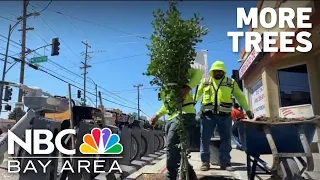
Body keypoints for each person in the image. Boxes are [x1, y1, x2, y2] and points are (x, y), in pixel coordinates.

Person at [194, 60, 253, 171]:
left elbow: (240, 96)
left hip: (225, 116)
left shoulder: (230, 82)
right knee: (204, 138)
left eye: (220, 71)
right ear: (212, 71)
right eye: (215, 71)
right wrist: (191, 105)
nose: (217, 73)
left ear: (223, 71)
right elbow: (196, 96)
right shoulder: (205, 81)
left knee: (226, 139)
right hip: (208, 116)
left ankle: (225, 162)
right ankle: (205, 162)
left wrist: (248, 110)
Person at [151, 68, 202, 180]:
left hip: (184, 113)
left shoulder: (180, 72)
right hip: (171, 118)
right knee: (176, 149)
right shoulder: (165, 86)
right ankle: (188, 172)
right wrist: (157, 115)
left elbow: (198, 73)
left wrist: (187, 87)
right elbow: (167, 105)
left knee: (171, 146)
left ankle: (171, 177)